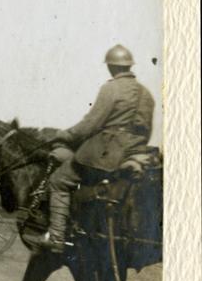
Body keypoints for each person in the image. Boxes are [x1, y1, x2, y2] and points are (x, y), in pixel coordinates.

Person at [39, 44, 155, 252]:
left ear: (111, 67)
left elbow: (91, 124)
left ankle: (56, 237)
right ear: (129, 66)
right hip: (134, 155)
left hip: (106, 156)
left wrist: (65, 135)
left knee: (59, 181)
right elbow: (146, 131)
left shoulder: (111, 88)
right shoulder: (147, 94)